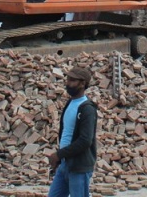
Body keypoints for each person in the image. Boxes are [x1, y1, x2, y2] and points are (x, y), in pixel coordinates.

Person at [47, 66, 98, 197]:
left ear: (82, 84)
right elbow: (66, 134)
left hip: (79, 167)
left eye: (72, 80)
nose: (68, 83)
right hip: (65, 164)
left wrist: (59, 154)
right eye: (68, 79)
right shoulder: (70, 103)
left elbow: (85, 140)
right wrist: (61, 157)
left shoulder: (87, 109)